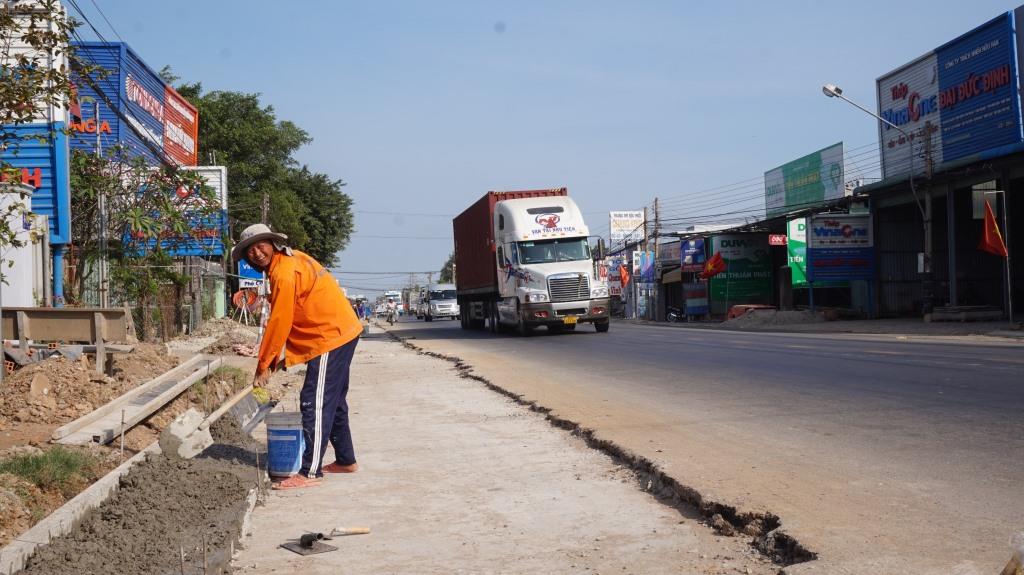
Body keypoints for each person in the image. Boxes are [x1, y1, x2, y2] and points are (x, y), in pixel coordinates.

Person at [232, 223, 364, 490]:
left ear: (272, 244)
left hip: (330, 335)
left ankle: (310, 471)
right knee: (334, 400)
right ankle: (345, 460)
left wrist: (264, 366)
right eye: (250, 251)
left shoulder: (284, 272)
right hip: (338, 331)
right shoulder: (288, 262)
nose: (257, 253)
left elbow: (280, 322)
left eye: (261, 246)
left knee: (314, 401)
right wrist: (278, 361)